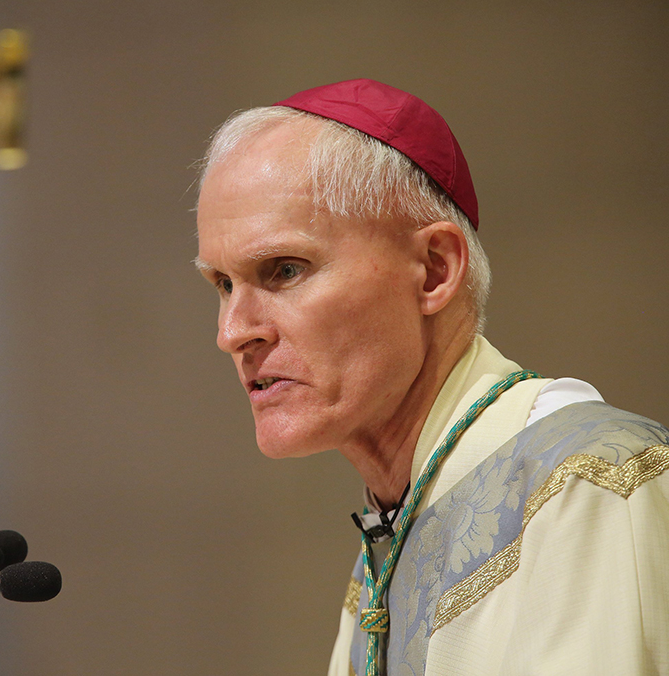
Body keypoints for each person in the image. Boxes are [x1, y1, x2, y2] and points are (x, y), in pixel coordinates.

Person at [194, 79, 669, 676]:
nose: (234, 331)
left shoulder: (589, 486)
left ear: (434, 271)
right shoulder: (395, 536)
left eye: (284, 269)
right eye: (222, 283)